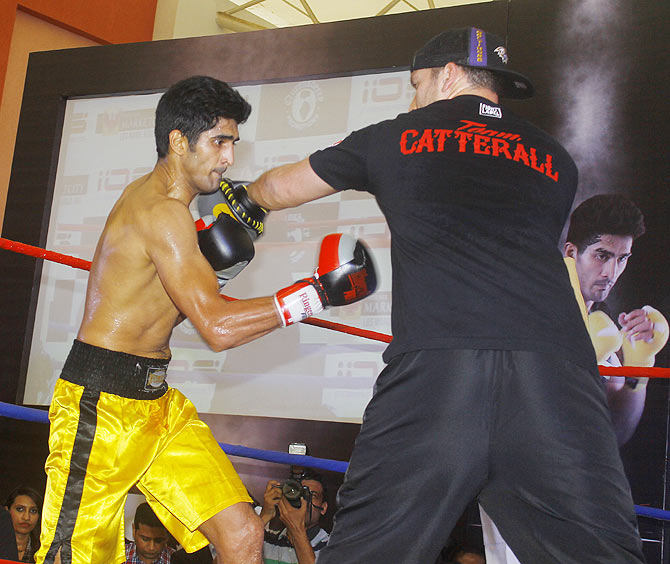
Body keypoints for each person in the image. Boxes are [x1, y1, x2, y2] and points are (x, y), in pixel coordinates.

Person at [246, 27, 645, 563]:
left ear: (449, 75)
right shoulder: (557, 161)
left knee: (366, 554)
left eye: (416, 85)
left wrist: (232, 199)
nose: (413, 98)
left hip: (438, 370)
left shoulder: (396, 134)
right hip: (555, 376)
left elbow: (279, 190)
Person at [35, 76, 376, 564]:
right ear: (178, 141)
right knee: (71, 558)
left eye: (232, 143)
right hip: (100, 406)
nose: (229, 158)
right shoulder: (161, 213)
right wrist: (315, 294)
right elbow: (215, 329)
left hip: (155, 402)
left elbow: (166, 315)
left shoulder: (175, 210)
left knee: (241, 535)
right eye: (219, 141)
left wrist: (216, 269)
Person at [258, 471, 329, 564]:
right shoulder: (268, 540)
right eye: (300, 493)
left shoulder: (331, 545)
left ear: (323, 508)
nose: (304, 500)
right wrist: (264, 516)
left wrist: (296, 529)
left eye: (313, 495)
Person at [4, 486, 42, 563]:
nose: (26, 517)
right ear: (7, 511)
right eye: (20, 509)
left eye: (33, 511)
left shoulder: (44, 551)